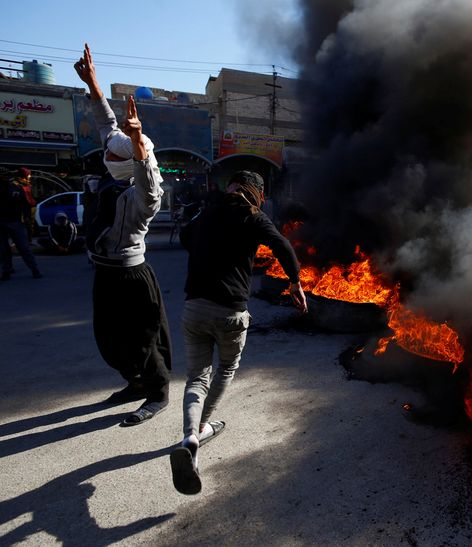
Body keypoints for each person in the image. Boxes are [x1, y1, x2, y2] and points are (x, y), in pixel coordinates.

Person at [170, 170, 307, 495]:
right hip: (230, 311)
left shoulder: (209, 213)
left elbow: (187, 237)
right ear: (257, 193)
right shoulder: (253, 217)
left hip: (195, 308)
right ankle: (203, 426)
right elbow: (283, 246)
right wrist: (294, 282)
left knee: (196, 378)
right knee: (226, 369)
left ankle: (191, 437)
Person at [74, 43, 172, 426]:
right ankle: (134, 382)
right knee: (109, 342)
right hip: (105, 272)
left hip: (132, 276)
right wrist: (94, 83)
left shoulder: (141, 195)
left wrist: (137, 145)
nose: (108, 156)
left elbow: (148, 181)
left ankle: (158, 392)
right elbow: (106, 126)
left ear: (131, 162)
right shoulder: (112, 181)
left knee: (144, 340)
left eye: (118, 155)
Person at [0, 173, 42, 280]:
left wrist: (27, 218)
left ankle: (34, 269)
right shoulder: (16, 188)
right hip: (7, 222)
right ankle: (7, 270)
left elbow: (25, 203)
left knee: (23, 247)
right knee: (4, 249)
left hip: (15, 221)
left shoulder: (16, 189)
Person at [15, 168, 37, 242]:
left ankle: (29, 240)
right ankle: (21, 240)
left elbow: (31, 196)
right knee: (23, 224)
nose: (30, 176)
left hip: (29, 207)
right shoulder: (17, 184)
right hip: (22, 208)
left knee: (30, 225)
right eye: (28, 175)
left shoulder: (28, 184)